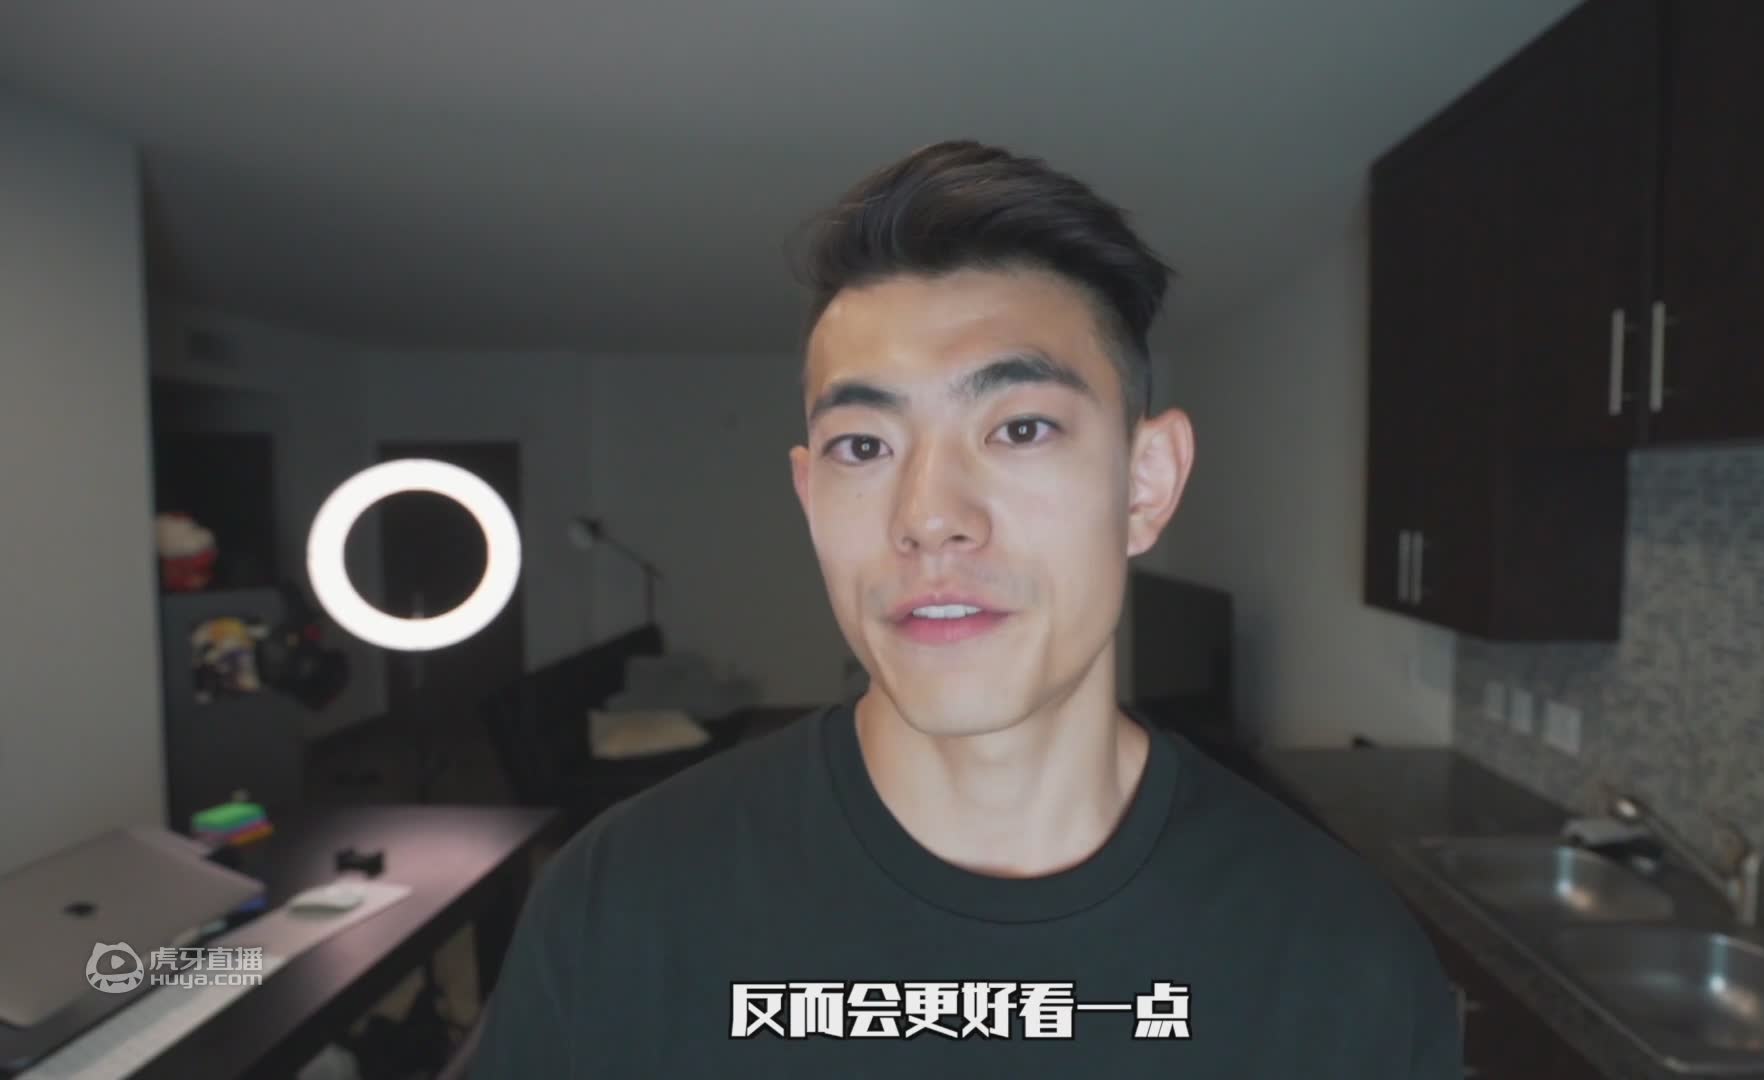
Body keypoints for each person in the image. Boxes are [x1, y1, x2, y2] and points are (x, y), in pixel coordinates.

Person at [471, 139, 1460, 1077]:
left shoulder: (1338, 956)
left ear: (1146, 484)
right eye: (864, 446)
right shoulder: (617, 909)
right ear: (811, 497)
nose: (929, 519)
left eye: (1020, 427)